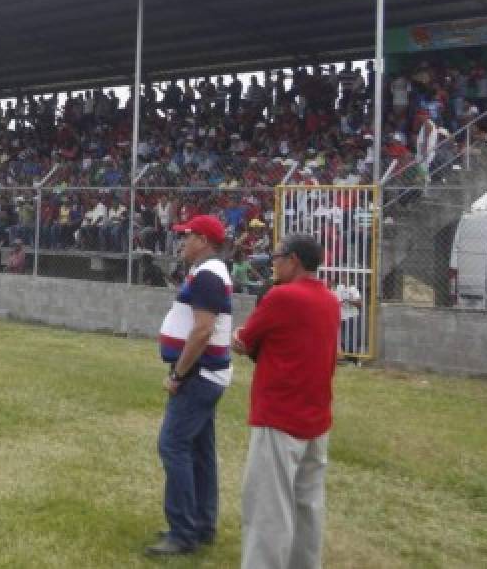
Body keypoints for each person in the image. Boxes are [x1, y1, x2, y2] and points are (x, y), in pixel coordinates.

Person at [231, 234, 341, 569]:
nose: (273, 262)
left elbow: (244, 340)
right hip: (316, 415)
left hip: (279, 415)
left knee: (268, 509)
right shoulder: (330, 299)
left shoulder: (283, 297)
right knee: (307, 506)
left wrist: (238, 335)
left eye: (277, 256)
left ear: (293, 260)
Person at [146, 214, 233, 557]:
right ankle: (201, 524)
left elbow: (201, 330)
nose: (183, 242)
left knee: (173, 445)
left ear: (205, 241)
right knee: (199, 451)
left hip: (198, 375)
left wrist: (178, 374)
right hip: (206, 373)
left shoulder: (208, 274)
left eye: (189, 236)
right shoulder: (209, 271)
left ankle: (183, 532)